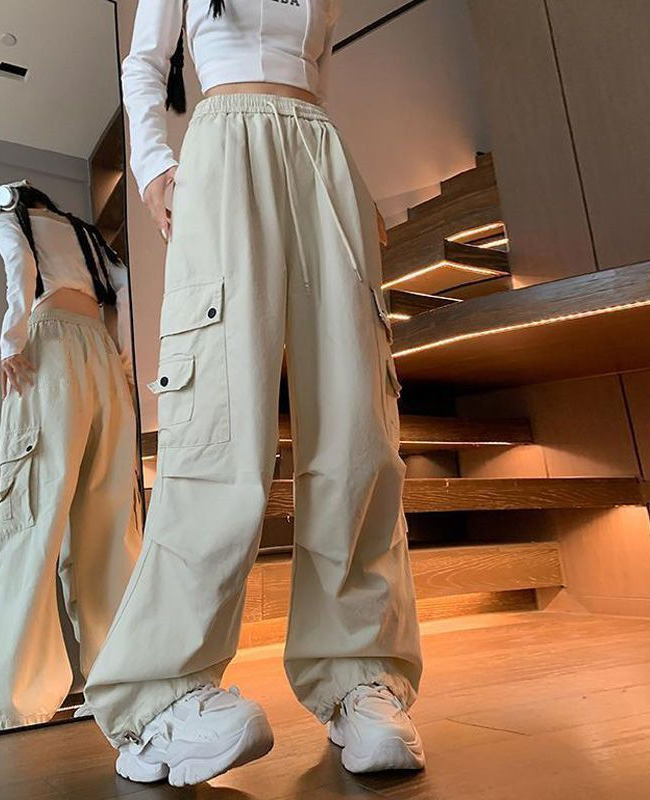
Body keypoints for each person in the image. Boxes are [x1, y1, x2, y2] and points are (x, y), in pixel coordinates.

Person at [85, 0, 424, 784]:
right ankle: (160, 695)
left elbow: (320, 76)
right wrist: (154, 167)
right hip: (223, 146)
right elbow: (144, 61)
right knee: (219, 423)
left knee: (358, 430)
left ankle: (358, 674)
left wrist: (348, 185)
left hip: (321, 153)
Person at [0, 181, 142, 731]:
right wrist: (124, 361)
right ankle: (120, 683)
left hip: (51, 350)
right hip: (103, 358)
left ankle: (12, 697)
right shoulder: (87, 235)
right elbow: (126, 288)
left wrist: (11, 343)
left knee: (32, 519)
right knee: (111, 527)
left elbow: (21, 268)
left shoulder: (8, 211)